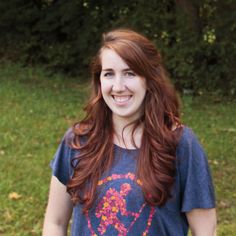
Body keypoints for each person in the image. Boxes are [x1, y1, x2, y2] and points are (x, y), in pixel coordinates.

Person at [43, 28, 217, 236]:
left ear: (149, 79)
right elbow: (55, 222)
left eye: (130, 73)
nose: (118, 86)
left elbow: (205, 230)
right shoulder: (78, 141)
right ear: (99, 81)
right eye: (109, 74)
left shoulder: (180, 144)